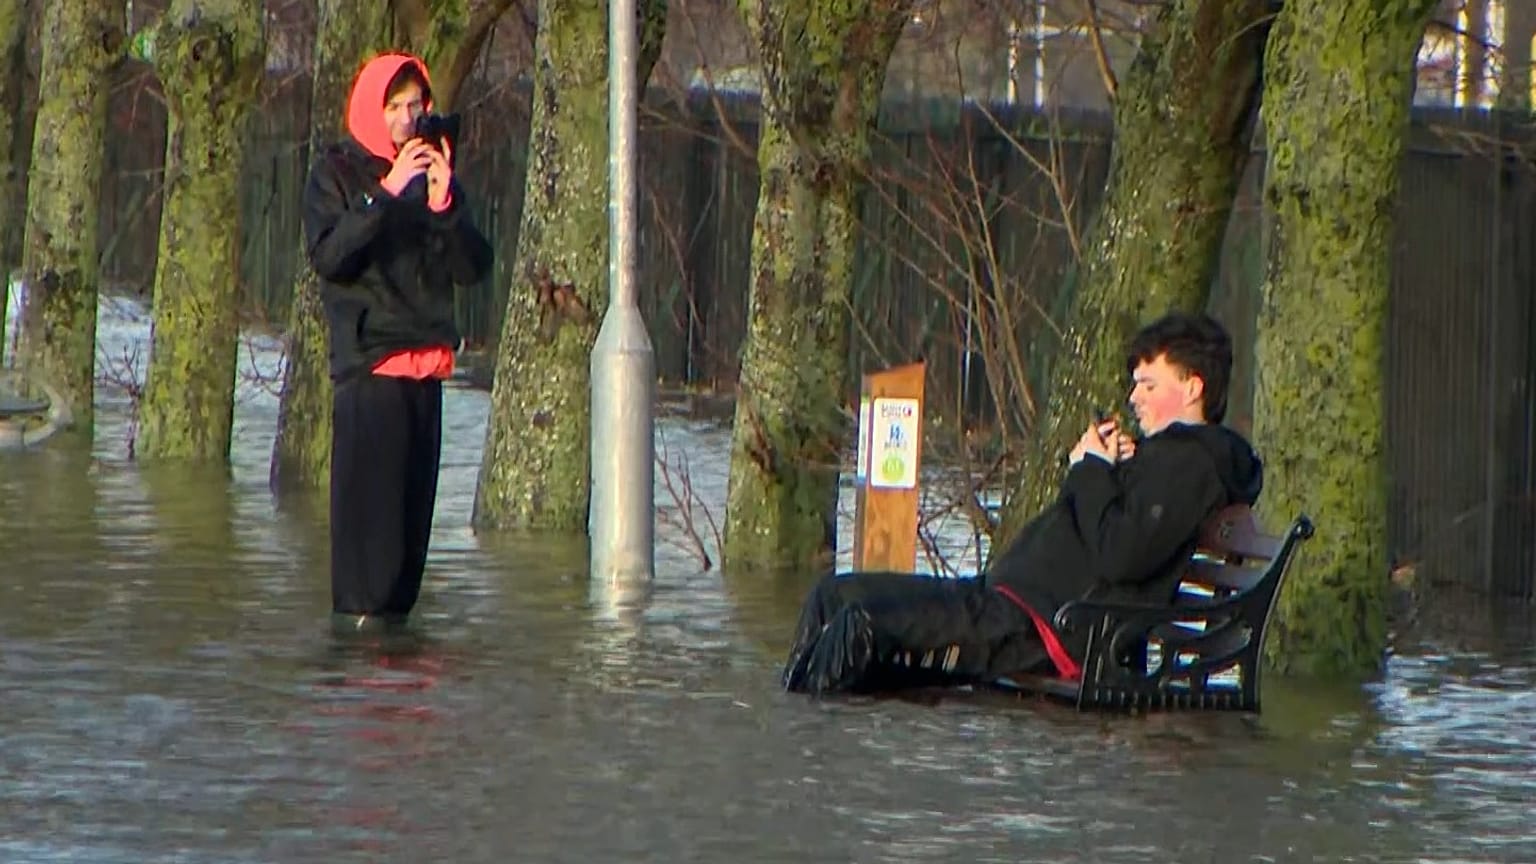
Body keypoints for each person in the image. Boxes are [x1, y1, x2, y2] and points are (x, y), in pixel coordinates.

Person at [782, 312, 1264, 694]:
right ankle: (794, 746)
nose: (1134, 396)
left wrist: (1092, 469)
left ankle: (808, 763)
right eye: (1135, 383)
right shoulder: (1165, 460)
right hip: (1006, 601)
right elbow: (1110, 532)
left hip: (1038, 629)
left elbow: (1122, 554)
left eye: (1149, 385)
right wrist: (1106, 470)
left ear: (1193, 387)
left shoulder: (1191, 464)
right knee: (835, 594)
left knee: (858, 624)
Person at [302, 52, 493, 624]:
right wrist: (385, 193)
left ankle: (400, 679)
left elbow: (473, 268)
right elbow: (331, 256)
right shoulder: (336, 173)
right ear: (371, 110)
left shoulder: (433, 179)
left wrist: (442, 202)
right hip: (370, 373)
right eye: (396, 107)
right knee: (371, 558)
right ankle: (361, 673)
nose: (409, 120)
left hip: (426, 373)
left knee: (410, 555)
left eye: (417, 105)